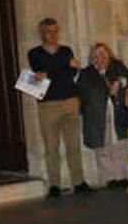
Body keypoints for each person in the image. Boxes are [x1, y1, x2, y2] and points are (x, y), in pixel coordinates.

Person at [27, 17, 91, 198]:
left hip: (70, 101)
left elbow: (70, 73)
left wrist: (52, 71)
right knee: (52, 147)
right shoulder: (34, 53)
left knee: (73, 145)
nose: (54, 35)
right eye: (49, 32)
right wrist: (64, 66)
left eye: (56, 31)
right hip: (48, 105)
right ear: (42, 34)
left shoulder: (66, 50)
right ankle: (54, 185)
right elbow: (41, 70)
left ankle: (78, 182)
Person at [78, 43, 128, 190]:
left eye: (102, 54)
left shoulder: (117, 66)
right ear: (92, 58)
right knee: (102, 147)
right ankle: (109, 178)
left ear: (109, 54)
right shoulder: (87, 72)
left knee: (119, 145)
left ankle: (120, 176)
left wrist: (119, 82)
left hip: (116, 112)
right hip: (96, 116)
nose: (100, 58)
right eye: (96, 55)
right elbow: (82, 92)